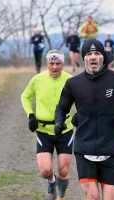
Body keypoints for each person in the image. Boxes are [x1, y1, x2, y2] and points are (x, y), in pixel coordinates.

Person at [54, 39, 114, 200]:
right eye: (89, 54)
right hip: (84, 149)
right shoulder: (73, 83)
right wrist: (59, 122)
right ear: (83, 58)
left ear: (103, 57)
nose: (93, 57)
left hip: (111, 149)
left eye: (97, 53)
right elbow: (61, 107)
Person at [21, 50, 74, 200]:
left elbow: (81, 101)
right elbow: (25, 97)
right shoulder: (37, 80)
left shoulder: (71, 81)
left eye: (58, 64)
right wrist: (30, 115)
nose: (55, 67)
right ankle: (52, 181)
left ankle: (60, 198)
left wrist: (79, 116)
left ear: (63, 64)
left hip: (65, 130)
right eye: (52, 63)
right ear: (47, 64)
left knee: (63, 170)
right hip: (43, 130)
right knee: (45, 170)